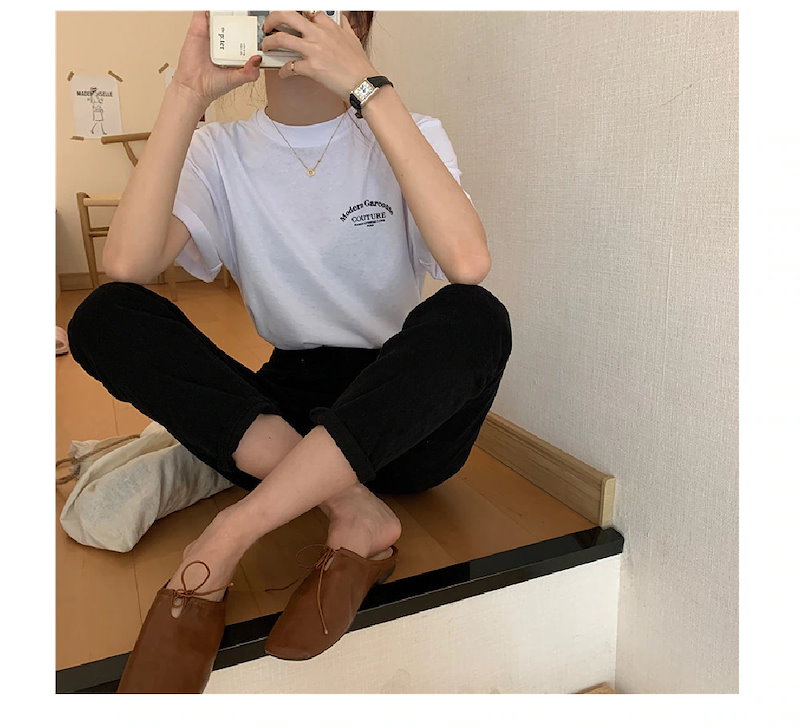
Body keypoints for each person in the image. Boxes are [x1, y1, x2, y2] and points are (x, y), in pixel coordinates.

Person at [67, 10, 512, 693]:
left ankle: (231, 533)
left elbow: (467, 261)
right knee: (104, 316)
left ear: (355, 21)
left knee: (476, 315)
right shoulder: (219, 151)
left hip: (402, 418)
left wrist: (368, 88)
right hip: (281, 416)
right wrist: (185, 93)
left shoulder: (408, 130)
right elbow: (127, 264)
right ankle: (353, 509)